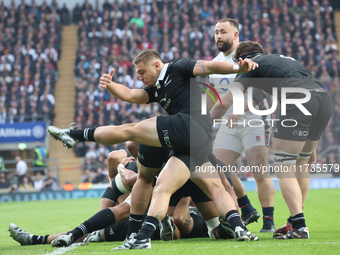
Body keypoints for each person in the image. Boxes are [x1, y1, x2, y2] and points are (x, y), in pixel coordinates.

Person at [48, 49, 259, 249]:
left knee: (130, 131)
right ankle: (237, 227)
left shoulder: (177, 67)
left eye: (142, 72)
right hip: (198, 140)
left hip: (188, 125)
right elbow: (131, 95)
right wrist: (111, 85)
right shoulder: (157, 88)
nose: (139, 77)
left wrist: (237, 69)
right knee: (189, 187)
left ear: (157, 65)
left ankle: (75, 135)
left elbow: (210, 66)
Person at [210, 41, 333, 239]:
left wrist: (204, 124)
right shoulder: (276, 62)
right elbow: (255, 99)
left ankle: (300, 226)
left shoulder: (250, 67)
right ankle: (294, 223)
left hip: (297, 100)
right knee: (301, 163)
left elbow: (225, 102)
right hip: (322, 99)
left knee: (284, 166)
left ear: (243, 59)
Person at [208, 18, 275, 232]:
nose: (219, 36)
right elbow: (215, 97)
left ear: (236, 35)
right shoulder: (215, 62)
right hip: (229, 122)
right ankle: (246, 208)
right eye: (216, 32)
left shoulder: (250, 56)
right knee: (218, 167)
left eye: (223, 32)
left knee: (259, 171)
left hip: (254, 118)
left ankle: (269, 223)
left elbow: (262, 88)